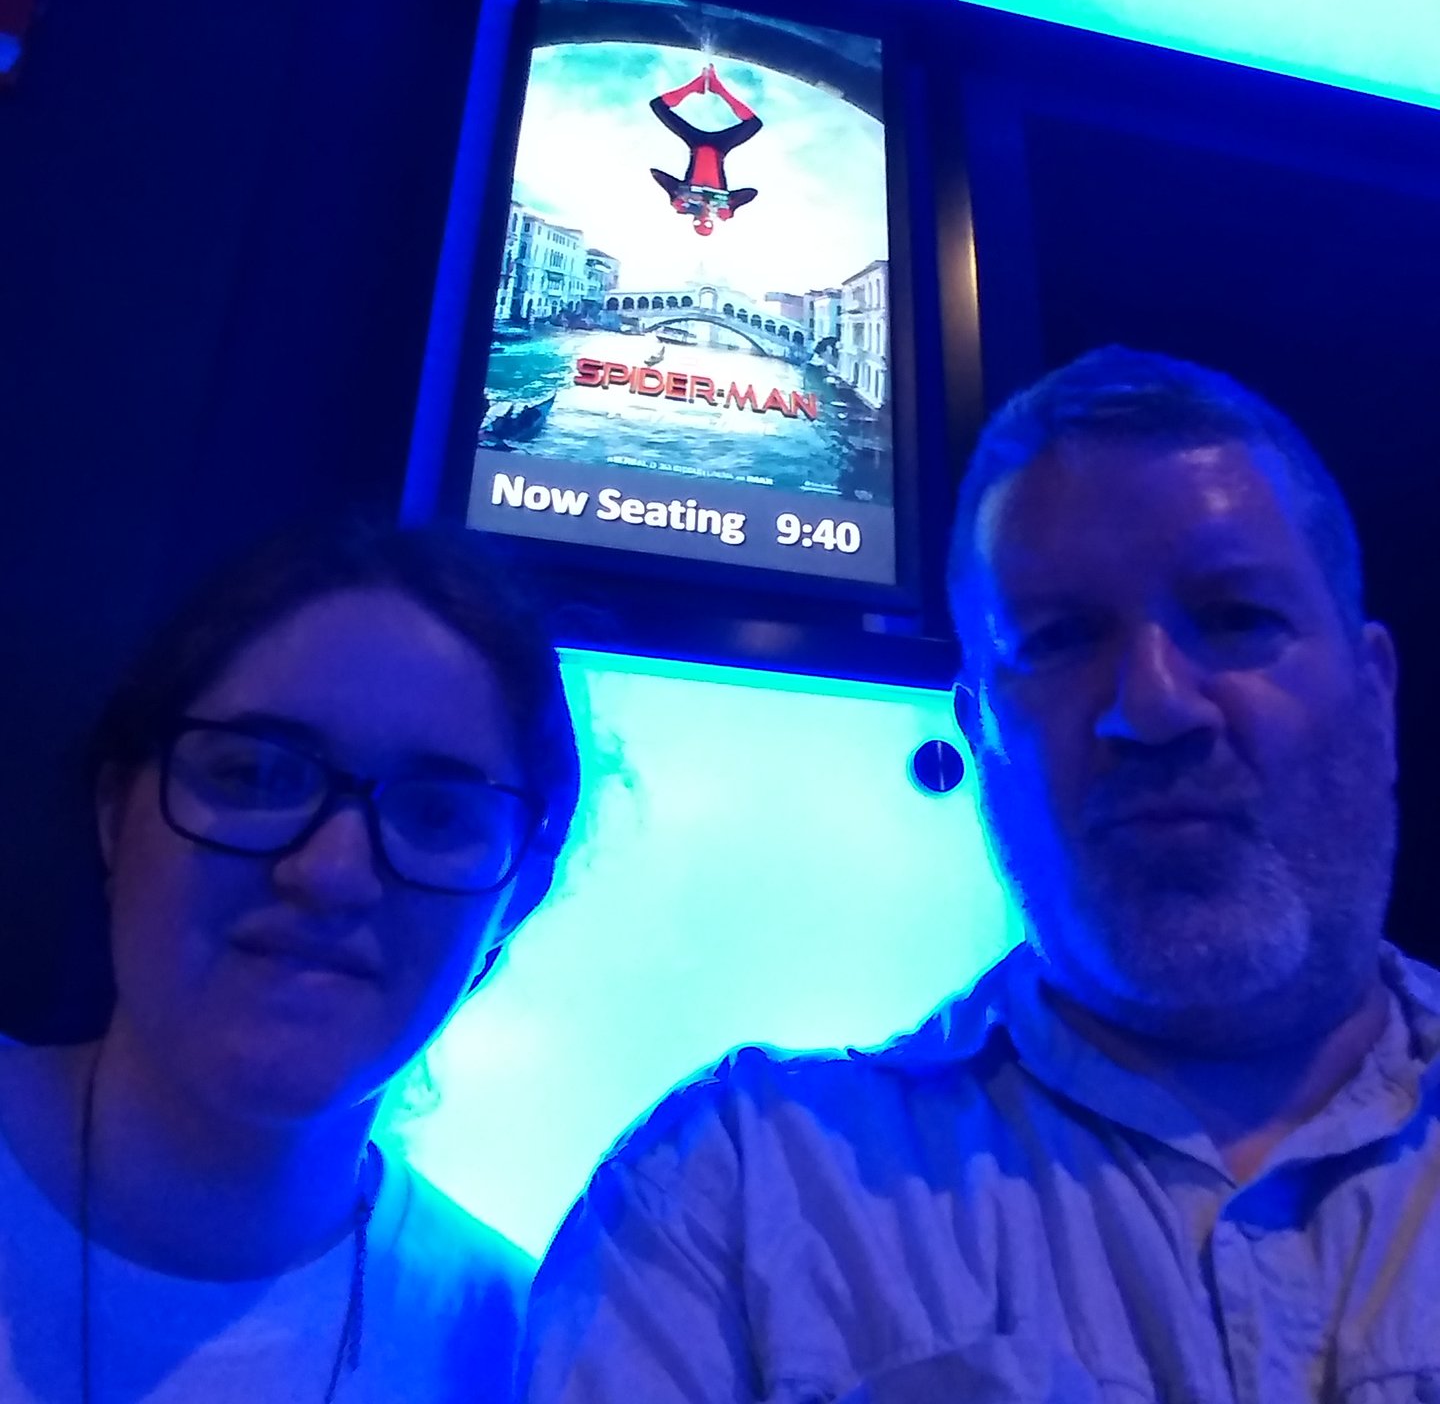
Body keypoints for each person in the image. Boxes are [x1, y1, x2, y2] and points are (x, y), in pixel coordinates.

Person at [521, 346, 1440, 1403]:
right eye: (1060, 639)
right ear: (977, 733)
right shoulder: (725, 1202)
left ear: (1376, 695)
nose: (1153, 706)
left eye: (1236, 619)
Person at [0, 517, 581, 1403]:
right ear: (116, 810)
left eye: (435, 813)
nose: (332, 873)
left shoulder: (521, 1355)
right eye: (256, 774)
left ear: (518, 897)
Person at [649, 63, 762, 237]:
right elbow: (751, 193)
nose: (702, 219)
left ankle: (696, 85)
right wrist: (730, 207)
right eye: (707, 223)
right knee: (754, 124)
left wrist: (677, 196)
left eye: (698, 222)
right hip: (720, 147)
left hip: (695, 143)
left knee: (658, 106)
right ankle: (718, 87)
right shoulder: (724, 206)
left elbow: (656, 173)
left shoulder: (684, 202)